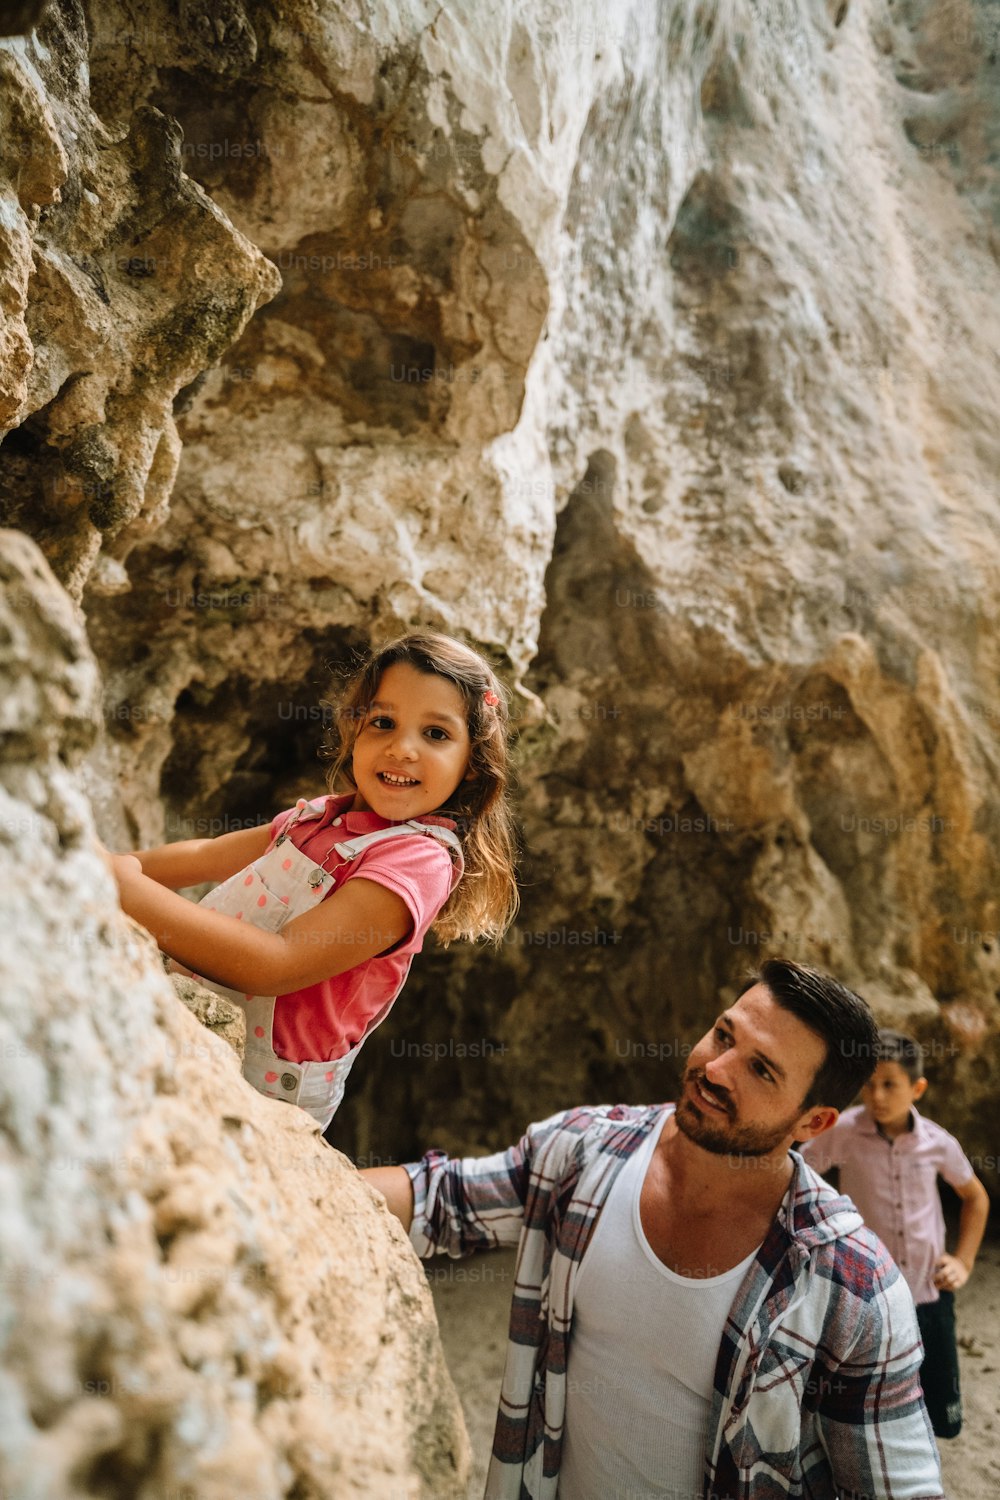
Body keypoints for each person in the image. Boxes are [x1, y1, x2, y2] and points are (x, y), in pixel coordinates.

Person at [364, 959, 945, 1500]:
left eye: (760, 1069)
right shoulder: (584, 1151)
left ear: (812, 1122)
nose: (715, 1070)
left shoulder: (851, 1286)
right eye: (724, 1034)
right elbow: (441, 1200)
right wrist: (281, 1165)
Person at [105, 632, 518, 1129]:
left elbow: (275, 965)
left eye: (436, 734)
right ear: (353, 732)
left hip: (263, 1085)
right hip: (197, 1015)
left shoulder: (416, 862)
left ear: (472, 765)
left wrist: (123, 888)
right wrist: (105, 865)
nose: (402, 748)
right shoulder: (319, 817)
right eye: (382, 723)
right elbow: (209, 854)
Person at [800, 1027, 990, 1441]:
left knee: (944, 1414)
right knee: (866, 1392)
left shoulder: (938, 1143)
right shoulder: (844, 1132)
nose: (877, 1096)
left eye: (890, 1085)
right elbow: (798, 1174)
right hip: (868, 1293)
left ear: (917, 1088)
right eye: (869, 1084)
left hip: (929, 1290)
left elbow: (975, 1198)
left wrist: (963, 1260)